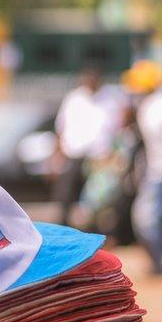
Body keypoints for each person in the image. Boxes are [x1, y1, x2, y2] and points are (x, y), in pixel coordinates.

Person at [124, 60, 162, 276]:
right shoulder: (145, 106)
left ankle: (159, 263)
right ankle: (157, 263)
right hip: (152, 171)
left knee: (146, 219)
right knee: (144, 219)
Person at [54, 67, 106, 226]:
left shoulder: (109, 99)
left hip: (98, 158)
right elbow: (61, 128)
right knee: (66, 197)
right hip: (74, 155)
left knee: (95, 199)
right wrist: (58, 155)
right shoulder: (74, 99)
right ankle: (65, 229)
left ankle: (93, 231)